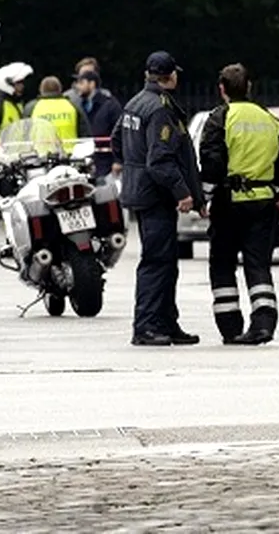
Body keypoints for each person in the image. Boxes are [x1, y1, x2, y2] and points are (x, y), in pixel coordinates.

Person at [111, 51, 206, 347]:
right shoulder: (160, 108)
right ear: (170, 76)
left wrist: (133, 168)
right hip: (156, 195)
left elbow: (117, 142)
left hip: (143, 190)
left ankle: (166, 322)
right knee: (156, 261)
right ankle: (147, 326)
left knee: (166, 260)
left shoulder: (135, 103)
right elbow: (161, 160)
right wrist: (183, 192)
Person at [198, 63, 279, 345]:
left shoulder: (221, 117)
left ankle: (230, 326)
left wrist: (205, 196)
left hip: (229, 203)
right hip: (263, 203)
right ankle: (263, 324)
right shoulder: (270, 119)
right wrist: (275, 189)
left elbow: (212, 161)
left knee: (222, 263)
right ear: (249, 87)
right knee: (258, 265)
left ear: (222, 89)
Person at [71, 70, 124, 179]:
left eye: (81, 83)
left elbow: (121, 133)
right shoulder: (79, 106)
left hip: (106, 163)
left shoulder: (110, 105)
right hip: (87, 163)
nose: (77, 86)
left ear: (92, 84)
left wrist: (118, 160)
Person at [23, 75, 92, 154]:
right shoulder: (72, 106)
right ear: (60, 89)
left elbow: (25, 135)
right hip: (70, 157)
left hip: (41, 157)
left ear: (41, 90)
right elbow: (85, 135)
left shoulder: (31, 108)